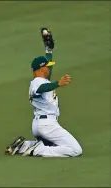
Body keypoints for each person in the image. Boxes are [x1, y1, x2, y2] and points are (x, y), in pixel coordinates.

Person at [5, 28, 82, 157]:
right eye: (47, 66)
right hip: (47, 126)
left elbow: (47, 76)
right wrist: (58, 83)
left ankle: (24, 145)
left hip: (41, 125)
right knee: (75, 150)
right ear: (41, 68)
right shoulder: (37, 83)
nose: (49, 68)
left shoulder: (43, 80)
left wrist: (49, 50)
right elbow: (41, 89)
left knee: (55, 145)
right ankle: (37, 150)